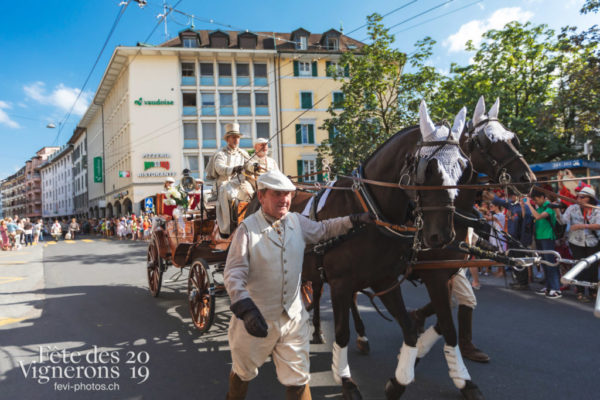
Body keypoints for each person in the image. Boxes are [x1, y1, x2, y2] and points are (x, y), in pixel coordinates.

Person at [224, 170, 373, 400]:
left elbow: (324, 229)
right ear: (262, 197)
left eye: (287, 194)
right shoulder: (247, 230)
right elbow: (234, 273)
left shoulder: (296, 221)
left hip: (292, 319)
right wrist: (245, 307)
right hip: (254, 318)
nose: (284, 199)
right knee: (242, 374)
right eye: (277, 194)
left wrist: (353, 220)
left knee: (299, 378)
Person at [411, 228, 491, 363]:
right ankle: (466, 346)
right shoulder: (451, 213)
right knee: (468, 299)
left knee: (451, 301)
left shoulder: (465, 214)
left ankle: (418, 315)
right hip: (449, 261)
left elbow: (470, 232)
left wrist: (490, 248)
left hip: (459, 260)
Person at [555, 186, 600, 302]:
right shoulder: (572, 208)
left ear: (589, 198)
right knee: (578, 266)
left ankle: (592, 291)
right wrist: (557, 211)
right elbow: (563, 221)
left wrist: (581, 226)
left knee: (593, 267)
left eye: (582, 197)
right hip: (576, 241)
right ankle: (580, 292)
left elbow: (598, 225)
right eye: (578, 197)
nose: (579, 199)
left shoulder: (596, 209)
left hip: (593, 241)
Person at [208, 123, 252, 236]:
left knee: (252, 193)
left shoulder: (243, 153)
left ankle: (250, 223)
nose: (236, 140)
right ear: (227, 139)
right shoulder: (220, 154)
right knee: (228, 192)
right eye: (233, 137)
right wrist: (233, 169)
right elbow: (219, 168)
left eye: (237, 137)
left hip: (240, 183)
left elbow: (249, 164)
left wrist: (255, 166)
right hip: (225, 183)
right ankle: (229, 228)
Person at [484, 190, 534, 289]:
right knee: (514, 260)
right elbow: (499, 201)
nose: (512, 197)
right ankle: (519, 281)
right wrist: (489, 195)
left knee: (520, 261)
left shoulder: (526, 207)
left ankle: (523, 283)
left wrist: (523, 206)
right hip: (512, 238)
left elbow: (526, 220)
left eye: (514, 195)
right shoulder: (511, 205)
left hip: (521, 239)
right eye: (512, 195)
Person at [524, 190, 561, 298]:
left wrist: (529, 205)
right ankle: (548, 287)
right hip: (539, 237)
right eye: (533, 200)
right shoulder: (539, 206)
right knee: (544, 263)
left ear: (542, 197)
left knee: (550, 263)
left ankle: (556, 289)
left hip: (548, 237)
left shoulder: (549, 206)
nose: (535, 202)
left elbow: (538, 216)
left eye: (536, 200)